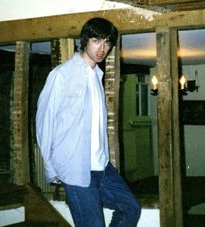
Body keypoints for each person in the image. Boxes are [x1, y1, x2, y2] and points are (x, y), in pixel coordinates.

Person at [36, 17, 141, 227]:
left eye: (107, 43)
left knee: (131, 207)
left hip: (102, 167)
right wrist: (50, 167)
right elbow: (44, 123)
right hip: (75, 169)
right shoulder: (61, 75)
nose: (102, 48)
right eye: (97, 41)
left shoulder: (96, 76)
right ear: (85, 40)